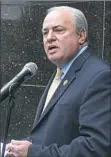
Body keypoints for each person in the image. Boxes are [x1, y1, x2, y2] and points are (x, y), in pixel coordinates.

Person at [6, 6, 111, 157]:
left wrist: (34, 152)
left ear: (81, 36)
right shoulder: (62, 72)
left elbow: (96, 147)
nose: (49, 37)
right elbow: (54, 133)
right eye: (45, 32)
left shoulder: (100, 77)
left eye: (58, 30)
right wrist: (21, 149)